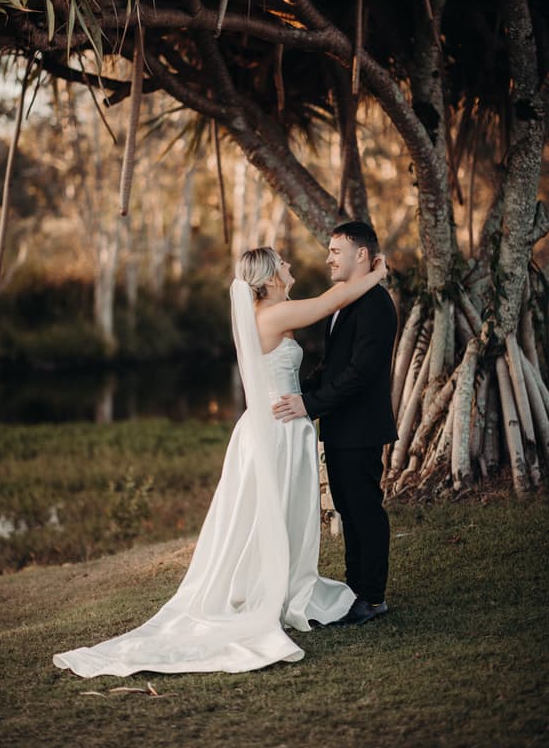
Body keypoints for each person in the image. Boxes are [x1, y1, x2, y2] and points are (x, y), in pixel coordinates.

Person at [53, 246, 387, 678]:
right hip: (275, 430)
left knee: (274, 512)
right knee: (267, 512)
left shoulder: (270, 310)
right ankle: (266, 590)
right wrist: (377, 275)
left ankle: (275, 584)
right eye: (283, 262)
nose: (290, 265)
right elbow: (331, 302)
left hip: (278, 426)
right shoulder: (270, 314)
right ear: (269, 279)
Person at [273, 222, 398, 627]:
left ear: (361, 255)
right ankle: (356, 591)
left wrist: (309, 404)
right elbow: (333, 367)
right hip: (341, 426)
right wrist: (299, 389)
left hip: (361, 426)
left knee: (364, 509)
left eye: (335, 251)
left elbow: (360, 373)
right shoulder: (345, 302)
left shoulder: (376, 305)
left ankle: (373, 598)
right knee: (347, 507)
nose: (328, 258)